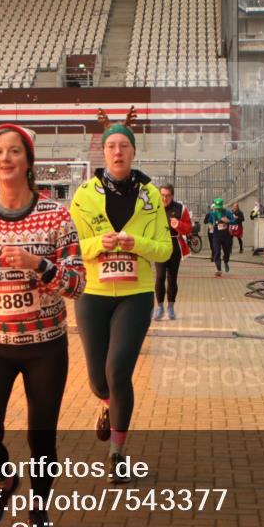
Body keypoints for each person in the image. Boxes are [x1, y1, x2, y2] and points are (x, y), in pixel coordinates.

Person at [0, 123, 85, 527]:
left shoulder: (56, 216)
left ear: (28, 162)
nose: (5, 158)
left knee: (41, 436)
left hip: (45, 344)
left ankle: (40, 512)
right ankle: (4, 480)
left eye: (14, 151)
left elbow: (77, 282)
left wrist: (38, 265)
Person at [70, 111, 172, 483]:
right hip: (93, 293)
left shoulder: (150, 197)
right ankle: (105, 406)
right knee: (99, 381)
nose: (117, 152)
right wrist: (100, 243)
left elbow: (164, 250)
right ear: (103, 152)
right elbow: (71, 247)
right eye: (111, 146)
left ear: (133, 152)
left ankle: (117, 453)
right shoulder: (83, 196)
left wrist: (137, 243)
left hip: (136, 294)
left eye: (124, 146)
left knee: (118, 371)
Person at [153, 183, 193, 321]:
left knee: (172, 279)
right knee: (159, 277)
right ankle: (159, 307)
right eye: (162, 195)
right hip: (159, 247)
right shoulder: (153, 207)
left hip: (174, 247)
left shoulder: (180, 209)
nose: (164, 198)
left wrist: (179, 225)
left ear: (172, 196)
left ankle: (170, 306)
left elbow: (189, 229)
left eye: (167, 196)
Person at [204, 197, 235, 277]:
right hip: (216, 235)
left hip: (226, 235)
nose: (217, 210)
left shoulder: (227, 212)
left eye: (219, 208)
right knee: (217, 252)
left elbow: (234, 220)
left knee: (227, 251)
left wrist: (228, 221)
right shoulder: (212, 213)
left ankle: (226, 261)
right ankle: (218, 269)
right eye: (216, 208)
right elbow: (209, 221)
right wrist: (211, 225)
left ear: (222, 207)